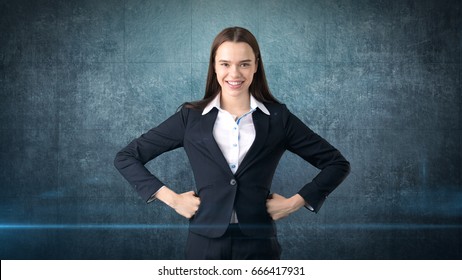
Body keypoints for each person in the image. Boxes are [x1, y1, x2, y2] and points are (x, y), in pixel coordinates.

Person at [114, 26, 350, 260]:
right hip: (203, 246)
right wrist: (173, 199)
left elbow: (336, 163)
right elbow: (127, 157)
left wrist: (293, 204)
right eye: (225, 64)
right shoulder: (191, 118)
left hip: (260, 246)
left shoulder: (278, 118)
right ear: (214, 66)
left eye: (244, 64)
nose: (234, 74)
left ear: (256, 65)